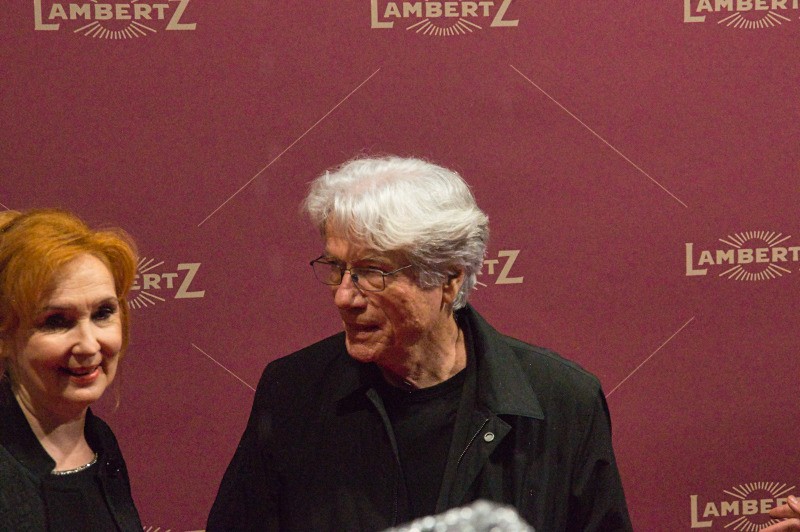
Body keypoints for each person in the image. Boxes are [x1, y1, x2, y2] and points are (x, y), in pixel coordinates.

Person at [207, 156, 632, 531]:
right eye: (336, 267)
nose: (344, 296)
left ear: (448, 278)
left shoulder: (561, 402)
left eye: (373, 272)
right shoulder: (293, 392)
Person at [0, 209, 142, 531]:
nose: (89, 346)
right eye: (56, 321)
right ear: (4, 336)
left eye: (103, 313)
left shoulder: (100, 441)